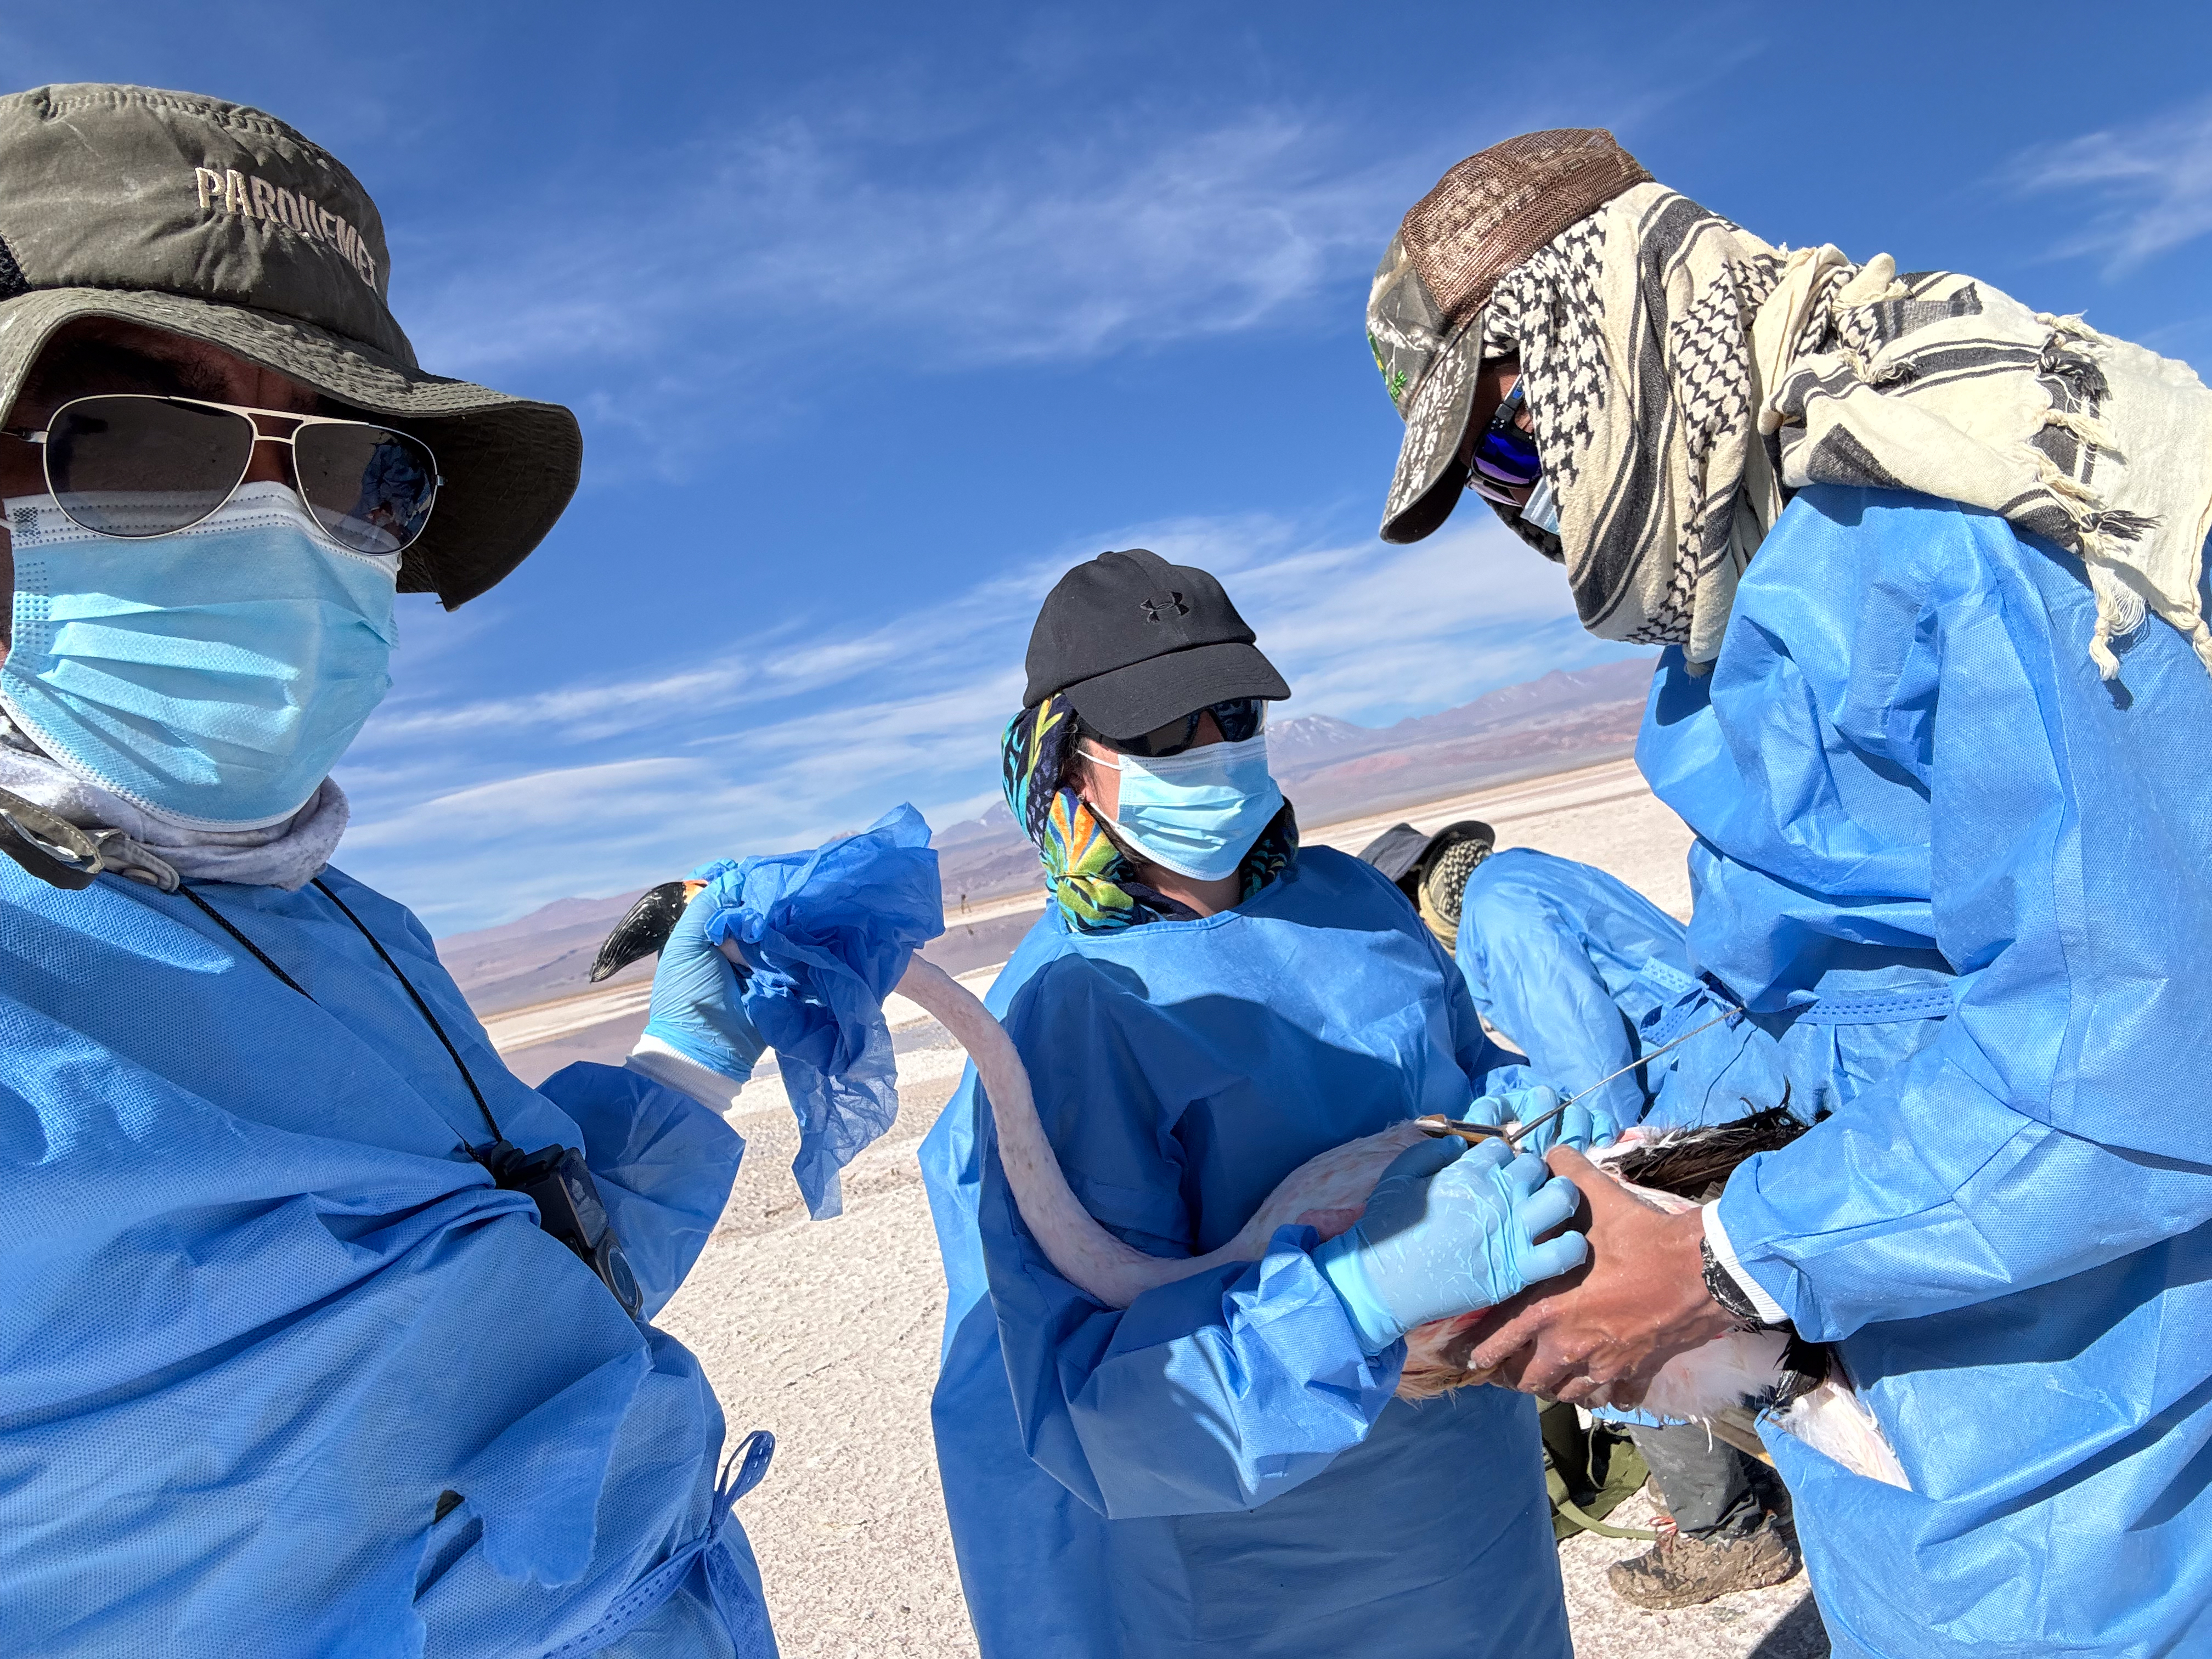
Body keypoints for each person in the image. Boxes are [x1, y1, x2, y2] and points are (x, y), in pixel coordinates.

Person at [1364, 128, 2212, 1656]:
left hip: (2092, 1405)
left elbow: (2132, 1054)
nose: (1531, 511)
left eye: (1507, 448)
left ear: (1600, 329)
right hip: (1912, 1339)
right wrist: (1654, 1180)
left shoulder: (1957, 522)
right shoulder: (1766, 590)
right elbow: (1826, 1015)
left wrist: (1721, 1256)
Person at [0, 85, 779, 1656]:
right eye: (141, 440)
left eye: (367, 476)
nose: (283, 530)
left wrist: (691, 1064)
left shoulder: (347, 926)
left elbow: (511, 1276)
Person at [918, 547, 1588, 1658]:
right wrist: (1359, 1298)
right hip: (1274, 1584)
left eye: (1233, 712)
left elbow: (1463, 1065)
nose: (1213, 751)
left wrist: (1529, 1114)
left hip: (1481, 1526)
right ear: (1065, 763)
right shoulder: (1071, 1015)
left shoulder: (1354, 899)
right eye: (1164, 731)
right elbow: (1099, 1414)